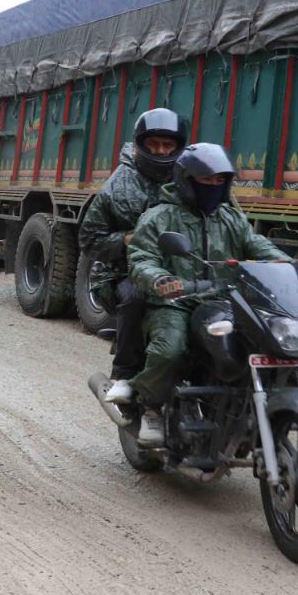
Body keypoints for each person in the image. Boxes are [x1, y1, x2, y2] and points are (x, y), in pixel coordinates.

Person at [126, 143, 298, 446]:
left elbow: (263, 250)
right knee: (171, 349)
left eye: (219, 181)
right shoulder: (160, 217)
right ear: (186, 180)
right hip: (176, 302)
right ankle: (150, 406)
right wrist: (162, 279)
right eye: (206, 180)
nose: (213, 187)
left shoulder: (231, 219)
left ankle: (247, 405)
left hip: (224, 301)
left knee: (261, 341)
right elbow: (142, 259)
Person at [78, 108, 188, 402]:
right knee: (135, 295)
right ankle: (124, 374)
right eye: (155, 144)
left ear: (179, 146)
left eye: (168, 145)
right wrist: (125, 240)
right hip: (120, 272)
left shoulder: (190, 179)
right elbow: (89, 240)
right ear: (141, 143)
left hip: (181, 268)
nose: (161, 150)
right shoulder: (116, 187)